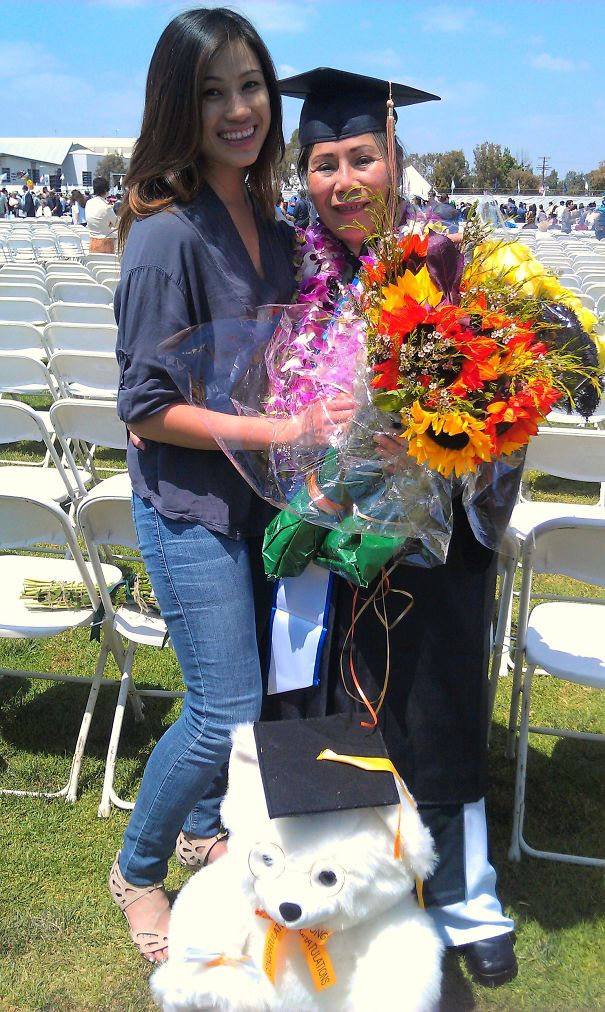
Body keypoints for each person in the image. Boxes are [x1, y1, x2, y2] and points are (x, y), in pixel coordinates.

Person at [108, 9, 353, 965]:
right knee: (223, 708)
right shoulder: (164, 238)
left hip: (261, 503)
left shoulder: (277, 230)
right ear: (179, 106)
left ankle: (206, 827)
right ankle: (137, 867)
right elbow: (143, 407)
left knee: (249, 694)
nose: (238, 108)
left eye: (250, 85)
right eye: (212, 93)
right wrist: (281, 431)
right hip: (189, 508)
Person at [265, 67, 519, 988]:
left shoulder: (451, 263)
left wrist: (425, 460)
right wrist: (310, 471)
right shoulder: (294, 271)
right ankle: (343, 890)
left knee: (434, 709)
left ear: (394, 156)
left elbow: (503, 406)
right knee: (331, 706)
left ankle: (463, 899)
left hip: (432, 538)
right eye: (323, 163)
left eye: (360, 158)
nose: (342, 182)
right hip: (322, 529)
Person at [84, 175, 118, 252]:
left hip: (92, 242)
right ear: (106, 190)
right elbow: (116, 224)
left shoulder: (89, 203)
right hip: (106, 243)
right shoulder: (106, 207)